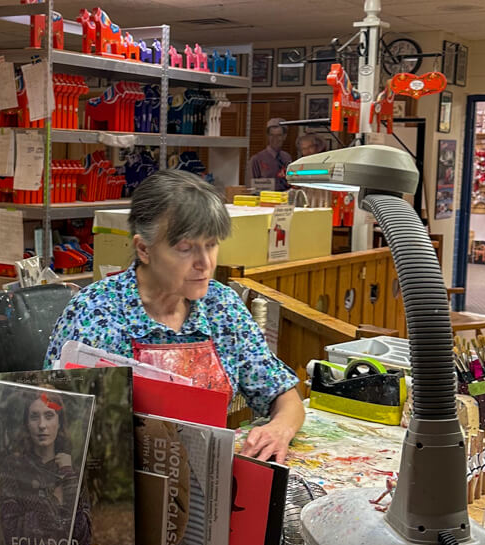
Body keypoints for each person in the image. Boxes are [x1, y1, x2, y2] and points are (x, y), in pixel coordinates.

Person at [46, 171, 304, 463]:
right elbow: (54, 419)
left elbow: (284, 395)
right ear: (144, 249)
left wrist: (280, 429)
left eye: (211, 244)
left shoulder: (222, 307)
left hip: (205, 476)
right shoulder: (94, 312)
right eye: (185, 249)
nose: (204, 264)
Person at [0, 391, 92, 545]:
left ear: (59, 422)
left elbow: (81, 540)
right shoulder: (13, 467)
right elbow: (12, 534)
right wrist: (53, 507)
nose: (42, 425)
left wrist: (69, 478)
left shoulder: (72, 470)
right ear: (25, 423)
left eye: (49, 416)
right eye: (34, 417)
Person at [247, 118, 292, 190]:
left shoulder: (287, 158)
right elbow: (251, 188)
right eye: (272, 135)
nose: (275, 139)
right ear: (268, 136)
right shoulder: (256, 159)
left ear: (284, 136)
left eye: (279, 135)